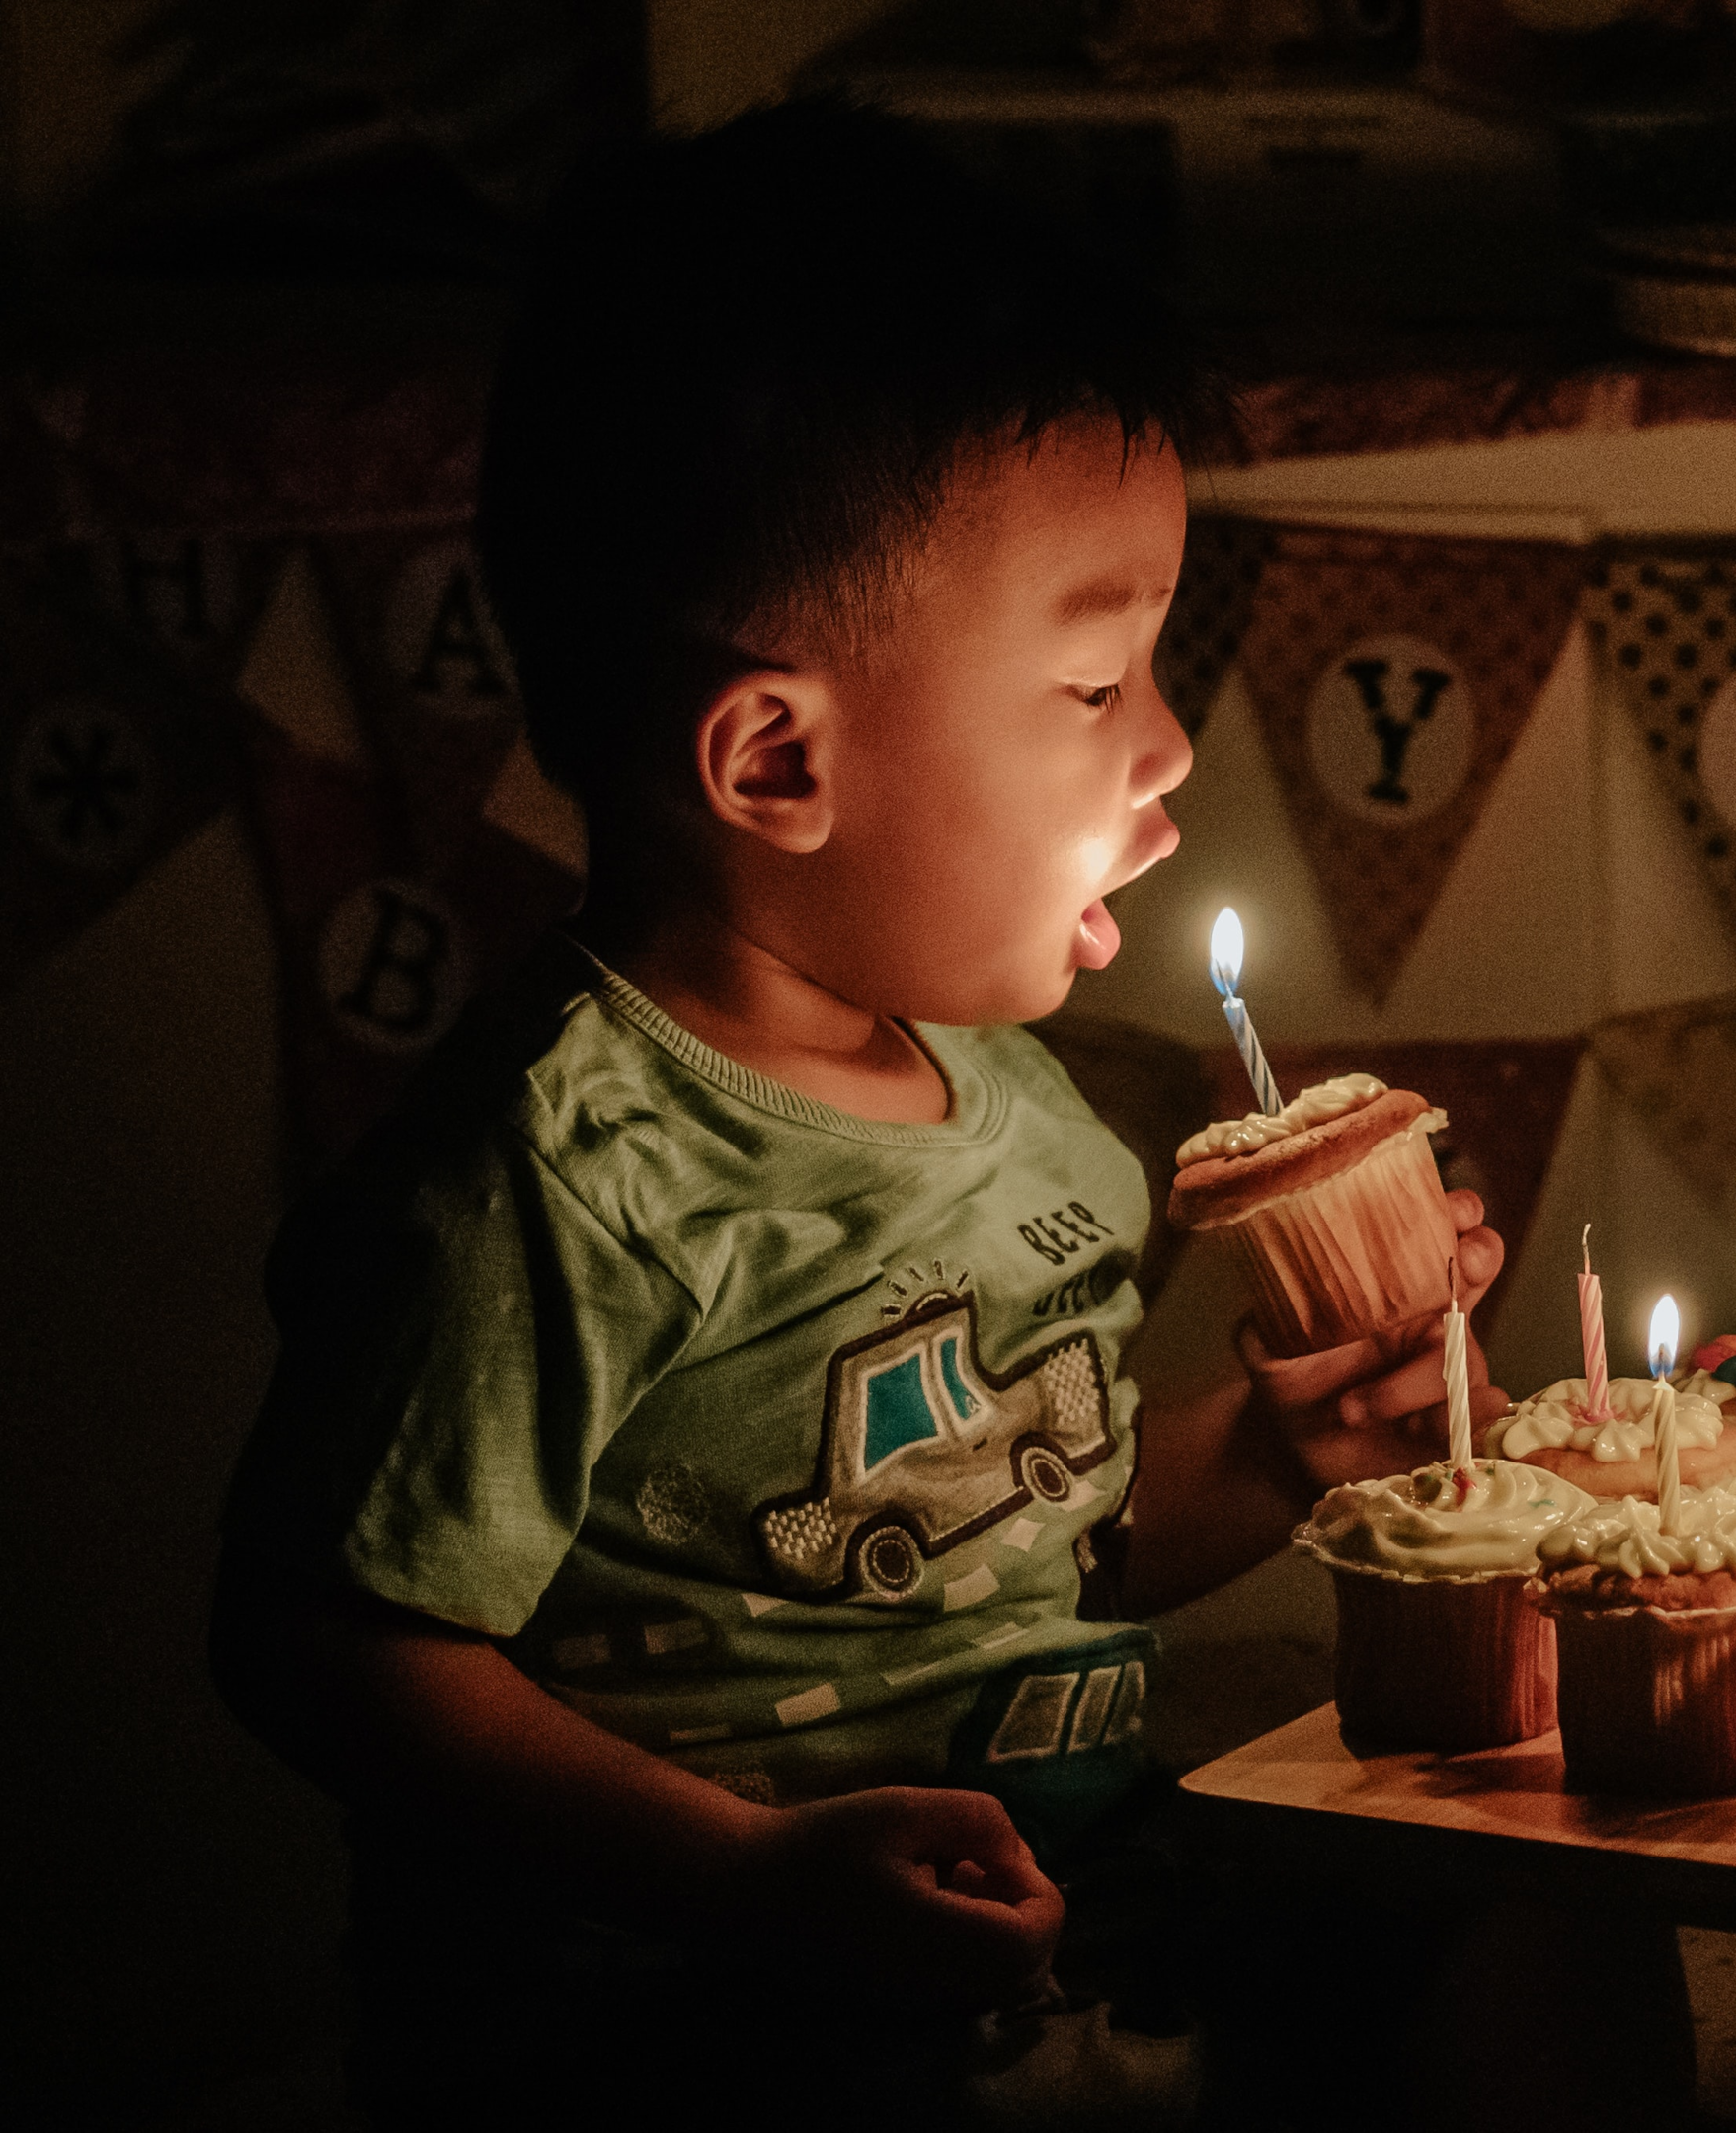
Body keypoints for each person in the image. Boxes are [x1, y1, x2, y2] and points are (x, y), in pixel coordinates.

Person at [206, 99, 1533, 2131]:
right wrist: (728, 1874)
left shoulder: (1013, 1101)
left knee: (1508, 1937)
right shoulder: (556, 1181)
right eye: (1096, 689)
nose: (1171, 746)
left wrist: (1271, 1451)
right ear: (772, 761)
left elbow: (1031, 1546)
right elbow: (331, 1648)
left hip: (1039, 1980)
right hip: (675, 2036)